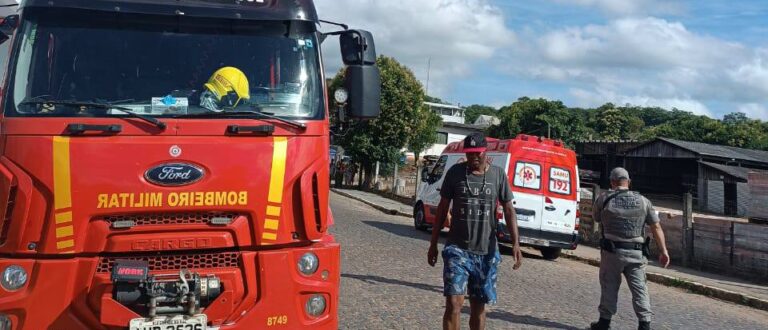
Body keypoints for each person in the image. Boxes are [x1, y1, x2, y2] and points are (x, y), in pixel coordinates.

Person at [427, 132, 523, 330]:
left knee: (479, 308)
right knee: (453, 304)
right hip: (457, 249)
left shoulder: (497, 175)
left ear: (485, 151)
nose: (473, 157)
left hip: (486, 252)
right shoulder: (455, 173)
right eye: (470, 154)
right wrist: (433, 243)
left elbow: (509, 209)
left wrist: (516, 243)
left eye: (477, 153)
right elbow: (443, 208)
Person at [590, 168, 670, 330]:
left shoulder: (604, 199)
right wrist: (663, 251)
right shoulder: (643, 201)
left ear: (612, 182)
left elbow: (596, 218)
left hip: (611, 253)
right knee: (640, 288)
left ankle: (604, 322)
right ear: (629, 181)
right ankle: (644, 324)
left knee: (609, 285)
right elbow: (656, 227)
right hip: (636, 253)